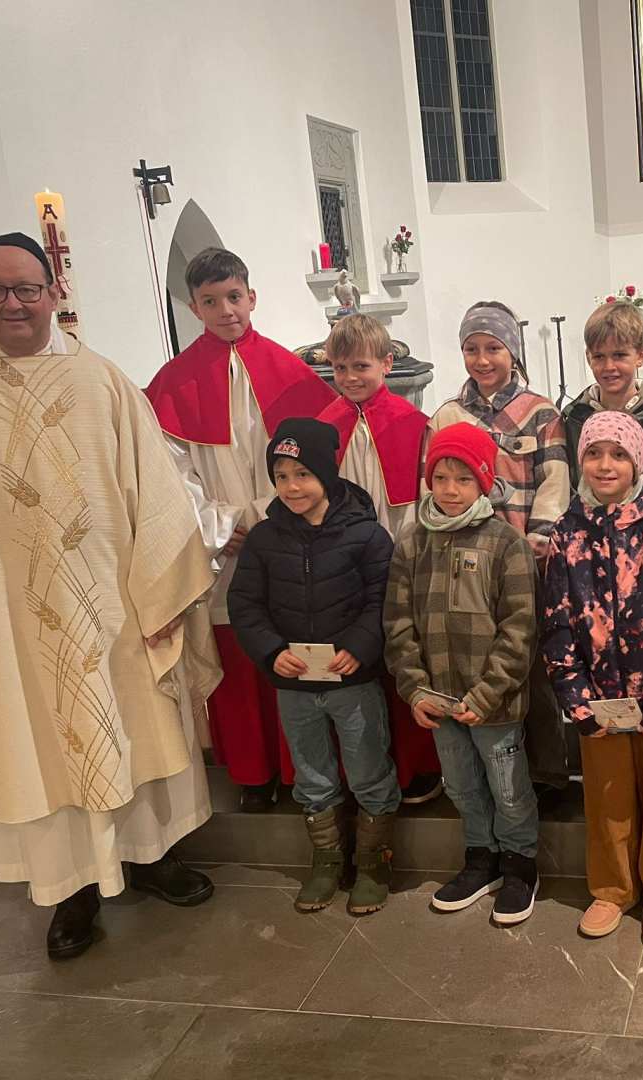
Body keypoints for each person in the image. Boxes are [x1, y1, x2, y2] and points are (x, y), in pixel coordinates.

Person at [0, 232, 222, 960]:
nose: (11, 303)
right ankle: (70, 890)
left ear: (53, 292)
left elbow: (157, 494)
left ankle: (151, 857)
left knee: (136, 727)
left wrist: (164, 593)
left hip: (115, 606)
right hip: (9, 618)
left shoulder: (102, 382)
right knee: (38, 741)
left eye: (25, 288)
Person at [145, 247, 337, 813]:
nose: (225, 310)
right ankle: (254, 773)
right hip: (220, 546)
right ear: (194, 308)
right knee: (235, 656)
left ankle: (301, 770)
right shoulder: (175, 382)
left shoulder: (289, 372)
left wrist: (268, 517)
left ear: (251, 298)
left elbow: (319, 455)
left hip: (286, 531)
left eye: (234, 297)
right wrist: (219, 526)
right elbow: (169, 471)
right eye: (210, 301)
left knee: (290, 649)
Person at [543, 412, 643, 946]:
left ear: (637, 460)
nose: (605, 465)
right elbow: (557, 620)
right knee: (606, 797)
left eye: (618, 454)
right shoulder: (567, 531)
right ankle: (612, 888)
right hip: (599, 699)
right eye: (594, 454)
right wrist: (575, 695)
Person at [227, 418, 400, 916]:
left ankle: (372, 862)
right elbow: (245, 604)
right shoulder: (264, 539)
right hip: (294, 682)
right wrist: (270, 650)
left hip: (352, 679)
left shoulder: (367, 535)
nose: (292, 487)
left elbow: (384, 599)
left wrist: (360, 645)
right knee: (312, 774)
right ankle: (327, 860)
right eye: (281, 477)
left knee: (367, 767)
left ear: (326, 472)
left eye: (302, 474)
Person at [383, 424, 542, 927]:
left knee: (508, 787)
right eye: (440, 478)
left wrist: (488, 692)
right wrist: (414, 688)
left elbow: (520, 628)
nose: (450, 490)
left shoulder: (507, 544)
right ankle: (480, 858)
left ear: (484, 482)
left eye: (463, 479)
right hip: (439, 700)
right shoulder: (412, 543)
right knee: (461, 785)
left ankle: (519, 863)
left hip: (494, 703)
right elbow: (397, 623)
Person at [429, 301, 570, 803]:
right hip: (468, 563)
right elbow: (434, 486)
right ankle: (490, 776)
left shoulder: (540, 413)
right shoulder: (447, 414)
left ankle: (547, 773)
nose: (483, 359)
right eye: (472, 349)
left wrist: (539, 538)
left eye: (493, 348)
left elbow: (555, 480)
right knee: (480, 662)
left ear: (513, 351)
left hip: (527, 561)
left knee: (533, 665)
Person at [318, 314, 443, 807]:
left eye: (361, 366)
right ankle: (364, 774)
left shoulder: (414, 424)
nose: (350, 377)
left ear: (387, 364)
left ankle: (417, 767)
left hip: (399, 560)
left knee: (405, 668)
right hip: (344, 570)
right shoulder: (324, 428)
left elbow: (422, 500)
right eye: (341, 368)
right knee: (356, 675)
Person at [562, 300, 643, 498]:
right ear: (588, 357)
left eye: (619, 355)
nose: (609, 366)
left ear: (641, 355)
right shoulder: (574, 417)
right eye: (599, 356)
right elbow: (572, 485)